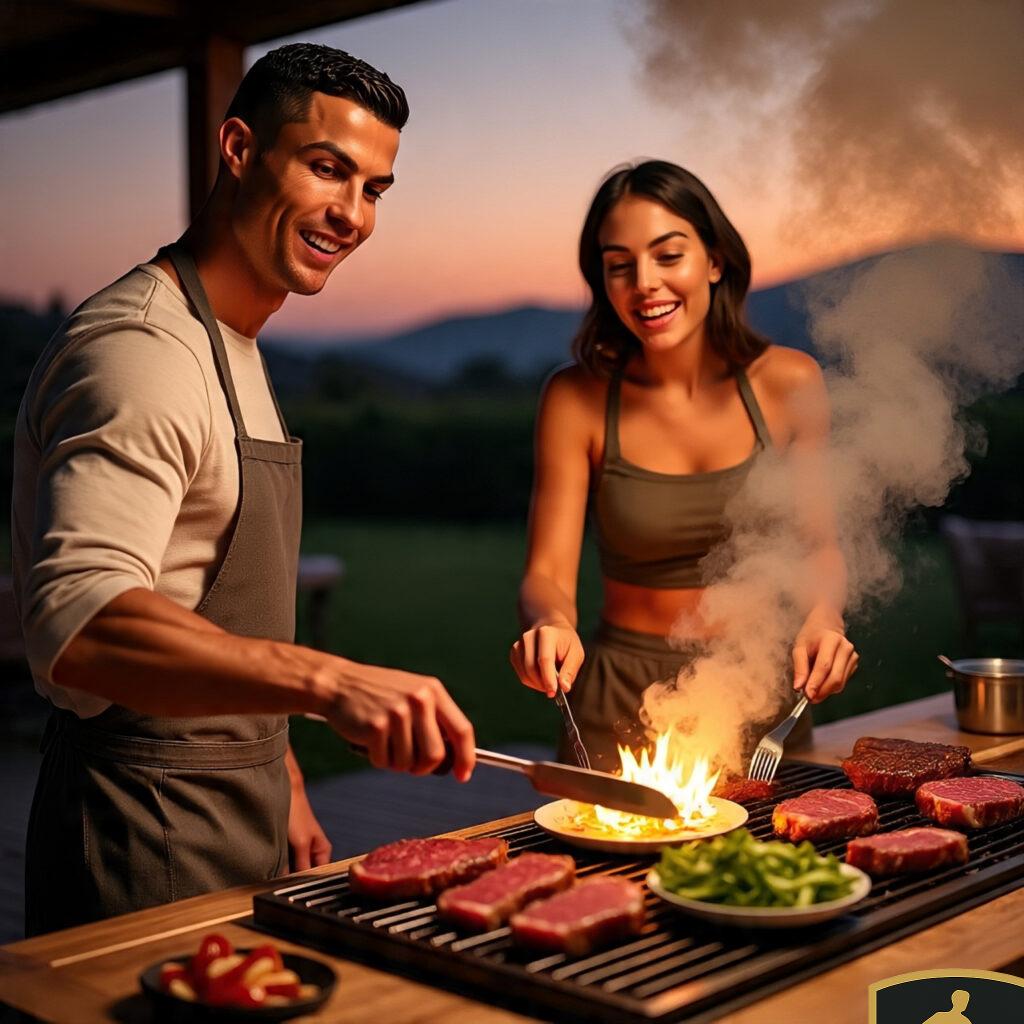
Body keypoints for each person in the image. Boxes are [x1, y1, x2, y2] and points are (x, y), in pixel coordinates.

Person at [11, 43, 475, 937]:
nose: (350, 214)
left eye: (374, 188)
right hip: (143, 830)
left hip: (244, 803)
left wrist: (283, 771)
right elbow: (80, 617)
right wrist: (329, 681)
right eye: (326, 168)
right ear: (237, 149)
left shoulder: (234, 343)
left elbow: (206, 602)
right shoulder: (139, 354)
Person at [509, 161, 858, 769]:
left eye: (668, 256)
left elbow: (819, 547)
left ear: (715, 260)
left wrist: (825, 615)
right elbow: (547, 572)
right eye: (620, 265)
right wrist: (551, 623)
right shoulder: (576, 398)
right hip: (618, 694)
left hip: (755, 686)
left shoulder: (791, 382)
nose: (644, 282)